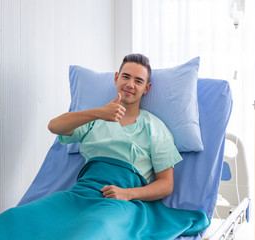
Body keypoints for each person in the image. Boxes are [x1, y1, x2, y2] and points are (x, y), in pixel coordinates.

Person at [48, 53, 182, 201]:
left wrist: (128, 194)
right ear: (116, 78)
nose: (130, 84)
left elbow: (166, 184)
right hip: (83, 192)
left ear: (146, 88)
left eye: (138, 81)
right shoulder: (94, 119)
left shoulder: (155, 128)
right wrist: (98, 113)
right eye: (126, 77)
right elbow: (54, 126)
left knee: (93, 224)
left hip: (121, 202)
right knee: (21, 217)